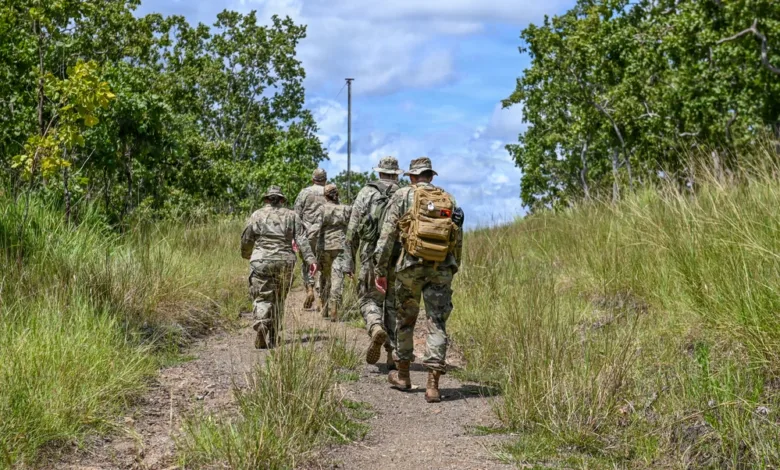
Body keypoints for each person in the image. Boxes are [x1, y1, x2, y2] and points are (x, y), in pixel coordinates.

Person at [374, 157, 463, 403]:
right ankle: (433, 384)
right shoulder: (448, 198)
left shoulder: (403, 195)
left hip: (410, 267)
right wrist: (454, 266)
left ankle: (403, 375)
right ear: (431, 176)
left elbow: (387, 235)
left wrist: (380, 269)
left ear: (412, 177)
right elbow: (457, 236)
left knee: (405, 319)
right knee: (437, 322)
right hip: (441, 267)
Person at [344, 156, 405, 368]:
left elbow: (352, 231)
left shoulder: (366, 193)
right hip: (399, 256)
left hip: (370, 254)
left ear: (379, 172)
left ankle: (375, 325)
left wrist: (348, 262)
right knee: (394, 304)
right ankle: (393, 354)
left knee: (368, 298)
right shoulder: (404, 194)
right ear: (396, 173)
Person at [241, 185, 318, 349]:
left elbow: (247, 237)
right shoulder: (292, 216)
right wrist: (310, 260)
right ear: (282, 200)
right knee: (279, 298)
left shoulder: (257, 214)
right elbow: (302, 240)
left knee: (262, 296)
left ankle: (262, 324)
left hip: (261, 260)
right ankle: (274, 336)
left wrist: (247, 254)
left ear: (267, 199)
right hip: (285, 261)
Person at [314, 184, 352, 321]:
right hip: (340, 247)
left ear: (325, 196)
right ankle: (335, 308)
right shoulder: (346, 209)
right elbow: (352, 228)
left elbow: (314, 229)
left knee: (324, 277)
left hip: (324, 247)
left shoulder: (322, 209)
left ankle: (323, 308)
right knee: (337, 278)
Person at [294, 168, 328, 310]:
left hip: (307, 234)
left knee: (307, 263)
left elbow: (296, 214)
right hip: (326, 234)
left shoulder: (305, 192)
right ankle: (321, 295)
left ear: (312, 179)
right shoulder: (330, 191)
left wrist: (295, 237)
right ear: (325, 179)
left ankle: (309, 288)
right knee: (323, 265)